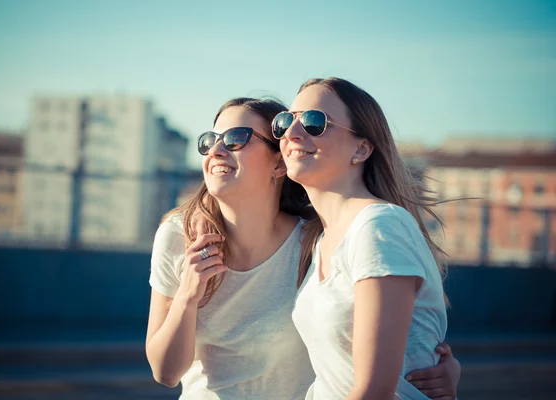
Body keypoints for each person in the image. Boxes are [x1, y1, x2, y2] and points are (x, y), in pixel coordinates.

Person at [146, 97, 460, 399]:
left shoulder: (315, 239)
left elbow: (368, 326)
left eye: (235, 139)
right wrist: (187, 295)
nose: (215, 149)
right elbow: (165, 372)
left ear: (279, 164)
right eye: (209, 140)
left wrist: (435, 368)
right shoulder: (180, 235)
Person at [273, 77, 452, 399]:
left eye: (314, 122)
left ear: (362, 148)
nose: (292, 133)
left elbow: (375, 389)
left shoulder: (378, 226)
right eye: (286, 120)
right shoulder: (319, 240)